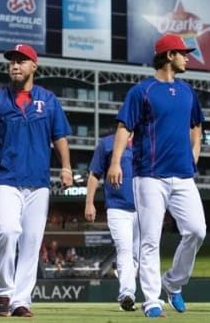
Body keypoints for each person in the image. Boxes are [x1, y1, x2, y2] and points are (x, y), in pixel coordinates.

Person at [107, 33, 207, 318]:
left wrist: (195, 153)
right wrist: (115, 163)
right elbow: (125, 127)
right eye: (182, 53)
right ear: (168, 56)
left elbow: (196, 125)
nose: (187, 57)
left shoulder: (187, 91)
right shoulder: (142, 91)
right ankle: (151, 299)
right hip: (149, 175)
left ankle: (173, 282)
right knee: (150, 239)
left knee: (197, 231)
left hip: (183, 175)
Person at [0, 44, 73, 317]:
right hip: (5, 177)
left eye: (21, 61)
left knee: (31, 241)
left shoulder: (49, 100)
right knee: (7, 230)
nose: (15, 65)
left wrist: (66, 167)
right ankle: (4, 292)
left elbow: (59, 137)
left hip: (38, 181)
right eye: (12, 62)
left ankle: (21, 300)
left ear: (34, 66)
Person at [84, 133, 139, 312]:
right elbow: (94, 175)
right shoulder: (107, 143)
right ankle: (127, 295)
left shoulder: (147, 140)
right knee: (124, 250)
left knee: (141, 255)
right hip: (117, 207)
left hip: (144, 208)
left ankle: (150, 297)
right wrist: (89, 203)